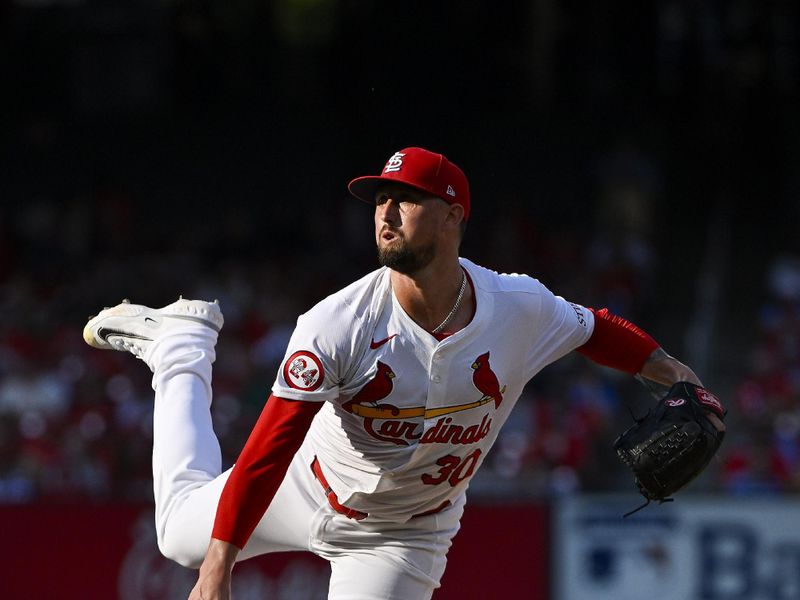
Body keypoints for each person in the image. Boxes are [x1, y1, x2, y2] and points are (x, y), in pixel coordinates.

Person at [83, 147, 724, 599]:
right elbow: (269, 447)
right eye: (380, 200)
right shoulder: (335, 325)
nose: (386, 213)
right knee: (177, 538)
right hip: (307, 485)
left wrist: (673, 373)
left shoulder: (518, 308)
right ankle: (182, 346)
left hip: (402, 535)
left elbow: (598, 328)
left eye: (407, 200)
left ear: (453, 217)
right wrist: (218, 566)